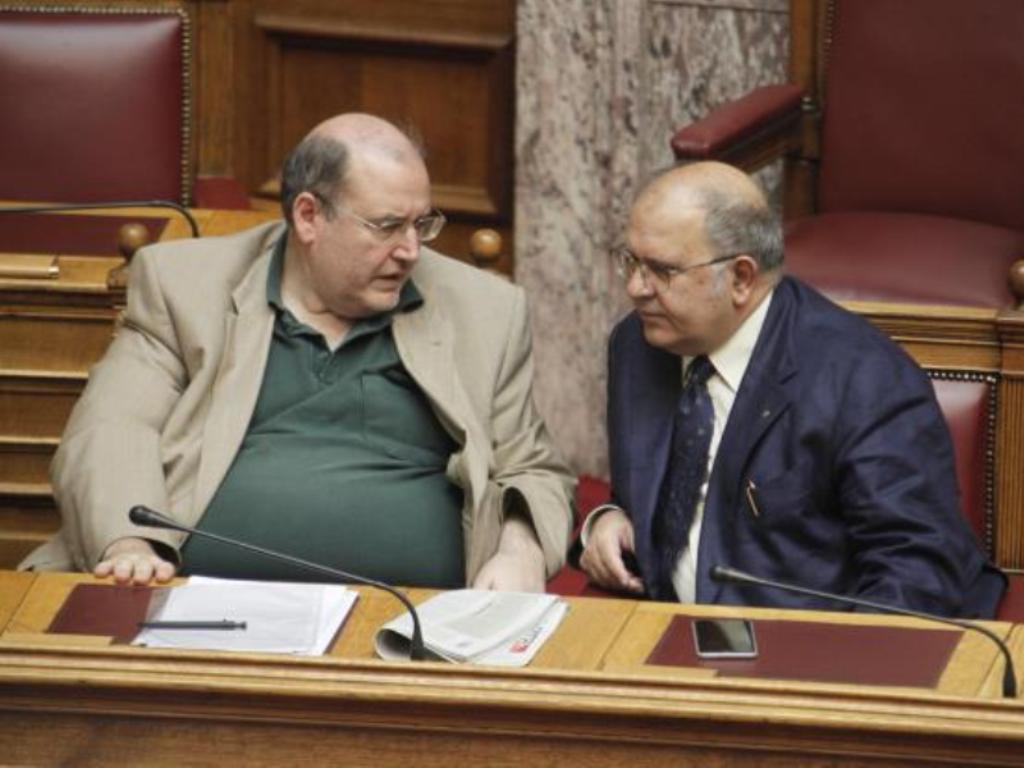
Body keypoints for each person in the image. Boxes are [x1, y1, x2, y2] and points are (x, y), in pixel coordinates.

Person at [22, 113, 573, 590]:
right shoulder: (186, 287)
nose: (411, 251)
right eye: (388, 226)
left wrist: (520, 552)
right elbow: (112, 426)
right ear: (309, 216)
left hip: (417, 628)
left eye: (422, 224)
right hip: (190, 609)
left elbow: (531, 467)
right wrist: (130, 545)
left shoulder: (485, 312)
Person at [578, 161, 1005, 618]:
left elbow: (917, 573)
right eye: (631, 261)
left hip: (809, 643)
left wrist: (823, 661)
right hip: (663, 631)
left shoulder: (864, 379)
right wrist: (608, 521)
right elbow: (647, 492)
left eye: (661, 271)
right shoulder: (638, 345)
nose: (635, 288)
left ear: (741, 278)